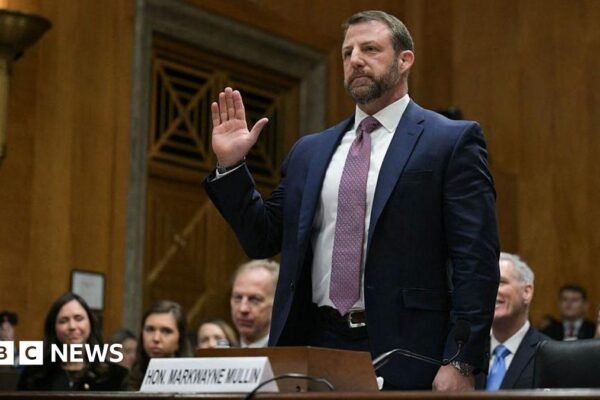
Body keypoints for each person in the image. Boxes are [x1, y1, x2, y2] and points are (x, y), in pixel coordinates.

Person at [204, 10, 499, 391]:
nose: (356, 59)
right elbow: (263, 238)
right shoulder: (310, 151)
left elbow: (476, 261)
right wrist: (231, 167)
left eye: (370, 49)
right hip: (315, 342)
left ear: (405, 60)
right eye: (347, 53)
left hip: (409, 351)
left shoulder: (449, 141)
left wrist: (461, 359)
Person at [17, 293, 128, 391]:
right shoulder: (34, 374)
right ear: (54, 328)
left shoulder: (116, 376)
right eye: (63, 321)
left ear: (90, 323)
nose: (72, 326)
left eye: (78, 318)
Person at [475, 253, 549, 390]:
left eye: (501, 282)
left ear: (527, 292)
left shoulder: (548, 354)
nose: (490, 291)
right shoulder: (468, 352)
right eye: (485, 284)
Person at [128, 300, 192, 390]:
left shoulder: (193, 384)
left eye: (166, 331)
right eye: (150, 330)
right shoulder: (126, 382)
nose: (156, 338)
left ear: (180, 339)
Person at [230, 260, 279, 348]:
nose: (243, 309)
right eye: (238, 297)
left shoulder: (291, 354)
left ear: (276, 304)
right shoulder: (221, 353)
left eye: (255, 299)